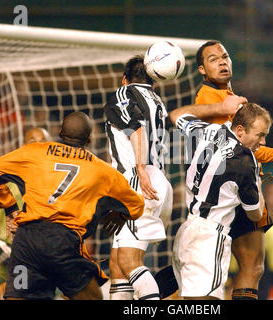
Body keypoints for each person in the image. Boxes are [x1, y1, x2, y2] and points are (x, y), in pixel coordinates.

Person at [0, 111, 145, 300]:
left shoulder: (35, 152)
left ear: (60, 133)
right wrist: (120, 215)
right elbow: (137, 205)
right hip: (62, 243)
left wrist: (10, 209)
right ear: (90, 139)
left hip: (27, 242)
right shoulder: (103, 171)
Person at [194, 40, 273, 300]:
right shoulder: (210, 99)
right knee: (232, 268)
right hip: (230, 194)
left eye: (225, 56)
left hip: (233, 191)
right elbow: (240, 147)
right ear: (201, 69)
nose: (222, 62)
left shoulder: (227, 96)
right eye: (213, 59)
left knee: (252, 266)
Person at [170, 99, 272, 300]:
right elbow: (255, 214)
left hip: (187, 230)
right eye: (260, 135)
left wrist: (219, 108)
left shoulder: (207, 131)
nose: (263, 142)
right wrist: (258, 186)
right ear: (240, 130)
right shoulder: (245, 160)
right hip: (211, 237)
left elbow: (176, 114)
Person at [104, 55, 173, 300]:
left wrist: (141, 168)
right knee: (117, 264)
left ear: (124, 79)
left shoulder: (124, 94)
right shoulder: (157, 100)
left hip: (138, 181)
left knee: (129, 260)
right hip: (157, 181)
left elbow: (136, 128)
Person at [0, 127, 51, 300]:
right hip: (0, 254)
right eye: (33, 141)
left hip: (34, 258)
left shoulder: (54, 178)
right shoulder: (2, 173)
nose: (37, 145)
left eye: (43, 141)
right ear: (23, 145)